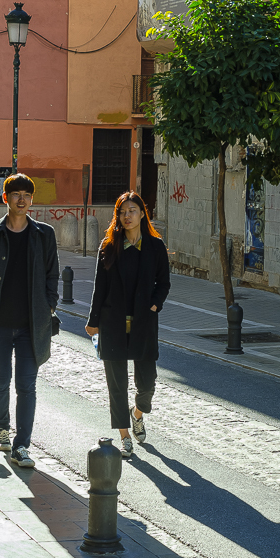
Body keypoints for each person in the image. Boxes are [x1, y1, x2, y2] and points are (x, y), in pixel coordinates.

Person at [0, 173, 59, 468]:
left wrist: (48, 306)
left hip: (32, 325)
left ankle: (22, 446)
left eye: (27, 195)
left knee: (27, 385)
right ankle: (2, 428)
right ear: (5, 197)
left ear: (31, 200)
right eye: (16, 194)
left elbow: (51, 274)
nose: (22, 199)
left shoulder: (44, 234)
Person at [86, 191, 170, 458]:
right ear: (118, 216)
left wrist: (154, 305)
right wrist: (93, 320)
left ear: (142, 213)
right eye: (123, 212)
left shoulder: (155, 247)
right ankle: (124, 436)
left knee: (147, 384)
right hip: (112, 324)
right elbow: (99, 286)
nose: (127, 216)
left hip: (144, 324)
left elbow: (164, 283)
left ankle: (137, 413)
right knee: (117, 384)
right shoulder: (108, 246)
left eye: (132, 210)